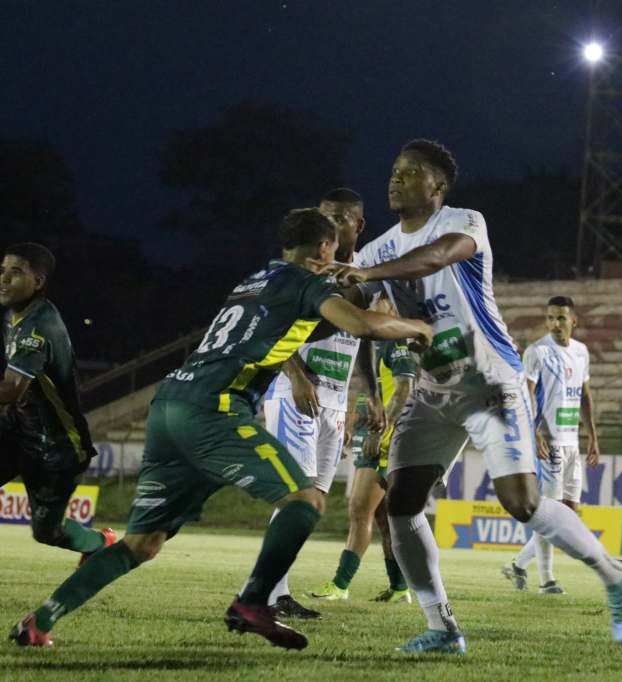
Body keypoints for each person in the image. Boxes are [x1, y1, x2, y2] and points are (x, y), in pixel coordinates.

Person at [10, 209, 432, 650]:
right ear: (325, 248)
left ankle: (39, 621)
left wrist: (348, 289)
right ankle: (252, 603)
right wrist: (415, 327)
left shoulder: (253, 281)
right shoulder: (306, 283)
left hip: (170, 405)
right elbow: (361, 326)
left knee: (142, 542)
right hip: (214, 408)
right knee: (305, 501)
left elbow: (300, 326)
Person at [335, 138, 622, 654]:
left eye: (410, 173)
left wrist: (368, 274)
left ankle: (614, 574)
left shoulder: (464, 221)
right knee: (400, 505)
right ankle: (442, 626)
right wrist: (321, 284)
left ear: (438, 186)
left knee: (520, 502)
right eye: (394, 170)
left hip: (489, 380)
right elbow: (354, 308)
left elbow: (433, 258)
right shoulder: (375, 248)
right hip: (432, 392)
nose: (396, 179)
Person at [257, 188, 368, 619]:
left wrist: (366, 397)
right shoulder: (304, 271)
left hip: (336, 400)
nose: (330, 227)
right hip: (296, 392)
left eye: (339, 218)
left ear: (357, 226)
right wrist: (297, 377)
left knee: (313, 503)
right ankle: (267, 594)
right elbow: (269, 325)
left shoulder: (363, 274)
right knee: (295, 498)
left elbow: (365, 337)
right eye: (324, 218)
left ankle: (275, 591)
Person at [0, 243, 116, 564]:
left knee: (46, 532)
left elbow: (11, 389)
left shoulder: (39, 322)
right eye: (2, 270)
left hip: (58, 446)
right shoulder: (13, 316)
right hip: (17, 430)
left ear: (38, 282)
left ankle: (98, 544)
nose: (4, 279)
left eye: (16, 272)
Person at [310, 332, 417, 604]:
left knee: (359, 510)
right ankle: (399, 587)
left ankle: (340, 584)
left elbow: (404, 389)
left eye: (376, 298)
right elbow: (371, 391)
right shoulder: (372, 343)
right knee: (382, 518)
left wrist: (382, 433)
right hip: (372, 433)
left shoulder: (396, 342)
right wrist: (351, 425)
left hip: (386, 441)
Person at [503, 295, 600, 594]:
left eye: (560, 318)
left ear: (574, 321)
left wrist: (593, 436)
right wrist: (534, 433)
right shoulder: (537, 352)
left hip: (572, 443)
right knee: (550, 514)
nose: (555, 324)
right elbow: (525, 394)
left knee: (570, 516)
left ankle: (519, 564)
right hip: (550, 443)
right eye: (550, 318)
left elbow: (584, 395)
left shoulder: (581, 352)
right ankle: (547, 580)